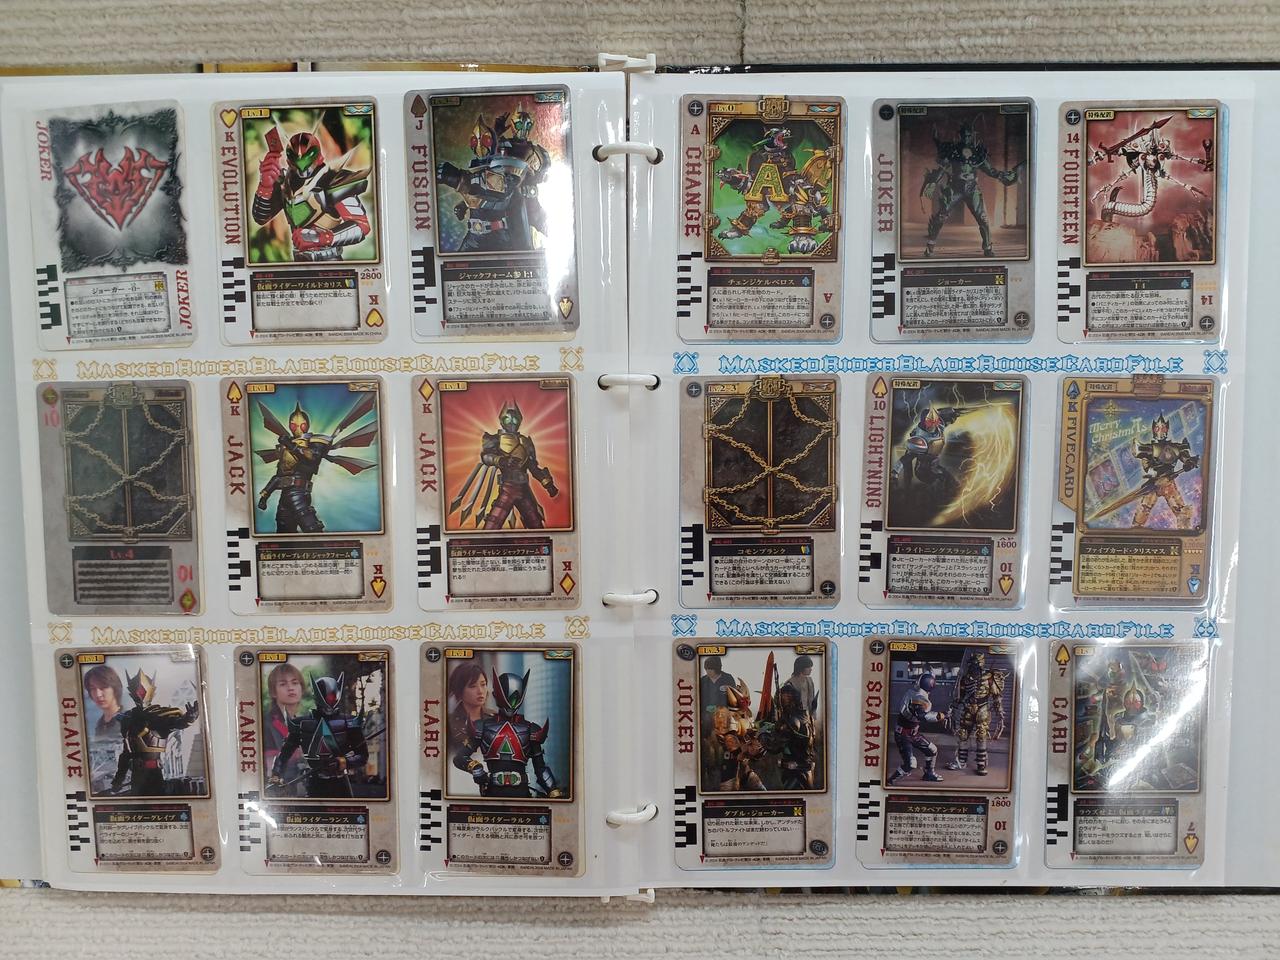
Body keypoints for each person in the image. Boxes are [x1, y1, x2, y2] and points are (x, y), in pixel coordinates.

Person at [263, 662, 305, 791]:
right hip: (281, 791)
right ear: (273, 692)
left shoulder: (305, 721)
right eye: (283, 684)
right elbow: (271, 771)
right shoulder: (266, 724)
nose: (290, 688)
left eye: (295, 683)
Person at [699, 655, 739, 736]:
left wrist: (724, 710)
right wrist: (707, 708)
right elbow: (700, 699)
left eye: (710, 669)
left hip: (725, 711)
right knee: (706, 720)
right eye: (706, 669)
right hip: (707, 712)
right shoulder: (703, 680)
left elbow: (733, 698)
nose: (708, 672)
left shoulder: (728, 678)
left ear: (717, 668)